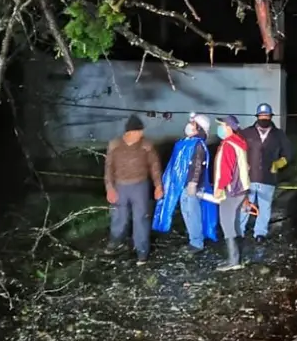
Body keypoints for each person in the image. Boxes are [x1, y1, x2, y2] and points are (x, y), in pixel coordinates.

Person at [152, 113, 219, 252]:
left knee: (191, 213)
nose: (189, 125)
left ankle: (196, 242)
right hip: (182, 185)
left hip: (190, 187)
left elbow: (197, 165)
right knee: (188, 213)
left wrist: (192, 183)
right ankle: (195, 239)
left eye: (193, 124)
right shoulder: (186, 143)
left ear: (199, 128)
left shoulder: (197, 145)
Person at [104, 115, 164, 266]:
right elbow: (109, 168)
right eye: (139, 131)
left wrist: (158, 186)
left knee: (141, 218)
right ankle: (115, 242)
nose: (141, 134)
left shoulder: (147, 145)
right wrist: (110, 188)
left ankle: (142, 252)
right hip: (120, 186)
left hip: (140, 186)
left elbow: (155, 166)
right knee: (119, 217)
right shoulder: (115, 145)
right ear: (130, 132)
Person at [236, 103, 293, 257]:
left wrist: (278, 163)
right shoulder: (247, 133)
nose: (264, 118)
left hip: (268, 179)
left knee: (265, 207)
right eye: (261, 116)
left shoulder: (279, 134)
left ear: (270, 117)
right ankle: (239, 232)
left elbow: (288, 154)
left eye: (266, 116)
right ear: (257, 117)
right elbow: (237, 150)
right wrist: (242, 164)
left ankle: (260, 233)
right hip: (249, 178)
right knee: (245, 205)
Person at [212, 115, 251, 271]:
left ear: (229, 127)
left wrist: (220, 188)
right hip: (241, 189)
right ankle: (236, 257)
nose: (220, 128)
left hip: (231, 190)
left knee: (227, 223)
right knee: (234, 222)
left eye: (222, 125)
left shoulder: (228, 145)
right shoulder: (239, 143)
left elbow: (226, 171)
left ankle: (233, 261)